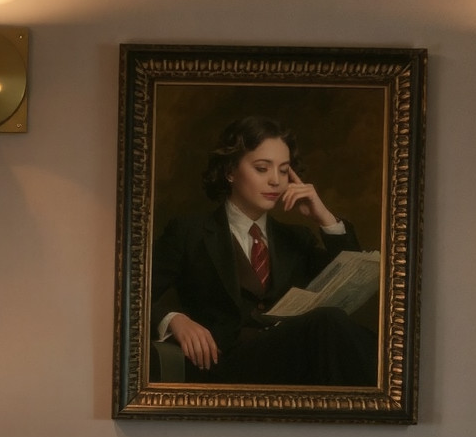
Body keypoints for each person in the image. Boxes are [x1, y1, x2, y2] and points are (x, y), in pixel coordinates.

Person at [150, 115, 377, 386]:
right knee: (329, 323)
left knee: (360, 333)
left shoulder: (297, 238)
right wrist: (174, 320)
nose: (275, 181)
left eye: (283, 170)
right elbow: (132, 298)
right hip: (223, 365)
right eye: (262, 168)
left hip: (292, 365)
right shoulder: (189, 232)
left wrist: (324, 217)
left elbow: (351, 285)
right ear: (230, 171)